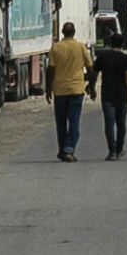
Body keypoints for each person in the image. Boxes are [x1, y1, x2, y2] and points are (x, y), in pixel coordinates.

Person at [45, 12, 92, 158]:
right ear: (74, 32)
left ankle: (63, 149)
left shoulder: (56, 48)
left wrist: (48, 89)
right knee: (74, 121)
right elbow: (91, 68)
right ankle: (68, 149)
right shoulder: (81, 47)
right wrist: (90, 84)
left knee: (61, 123)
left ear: (62, 33)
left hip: (59, 90)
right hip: (76, 90)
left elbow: (51, 70)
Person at [94, 8, 127, 157]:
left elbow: (94, 73)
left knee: (109, 124)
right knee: (121, 123)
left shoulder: (103, 57)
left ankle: (111, 151)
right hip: (121, 95)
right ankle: (120, 148)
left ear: (110, 43)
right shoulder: (126, 59)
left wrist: (91, 88)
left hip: (107, 95)